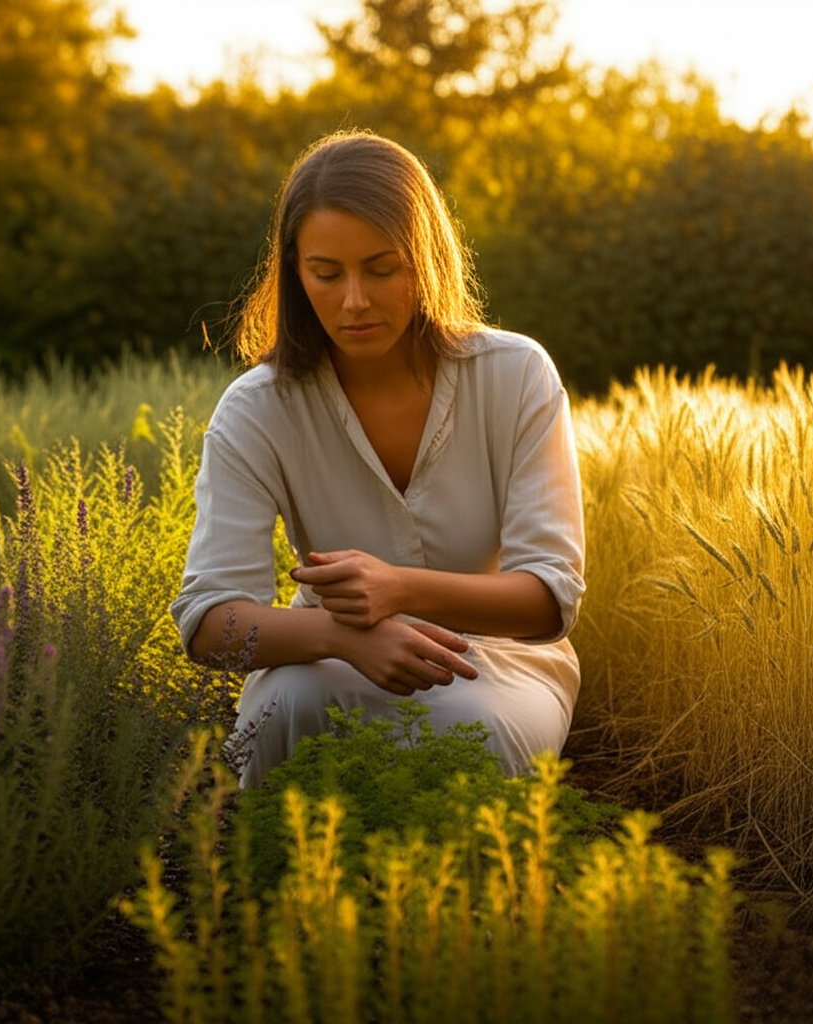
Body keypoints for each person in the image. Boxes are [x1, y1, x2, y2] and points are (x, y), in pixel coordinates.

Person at [171, 130, 585, 788]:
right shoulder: (257, 409)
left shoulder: (516, 375)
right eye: (326, 274)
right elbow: (209, 620)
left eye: (382, 268)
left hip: (494, 663)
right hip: (323, 657)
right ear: (295, 272)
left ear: (425, 260)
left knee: (469, 735)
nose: (354, 300)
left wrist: (400, 590)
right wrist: (342, 638)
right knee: (287, 711)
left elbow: (548, 601)